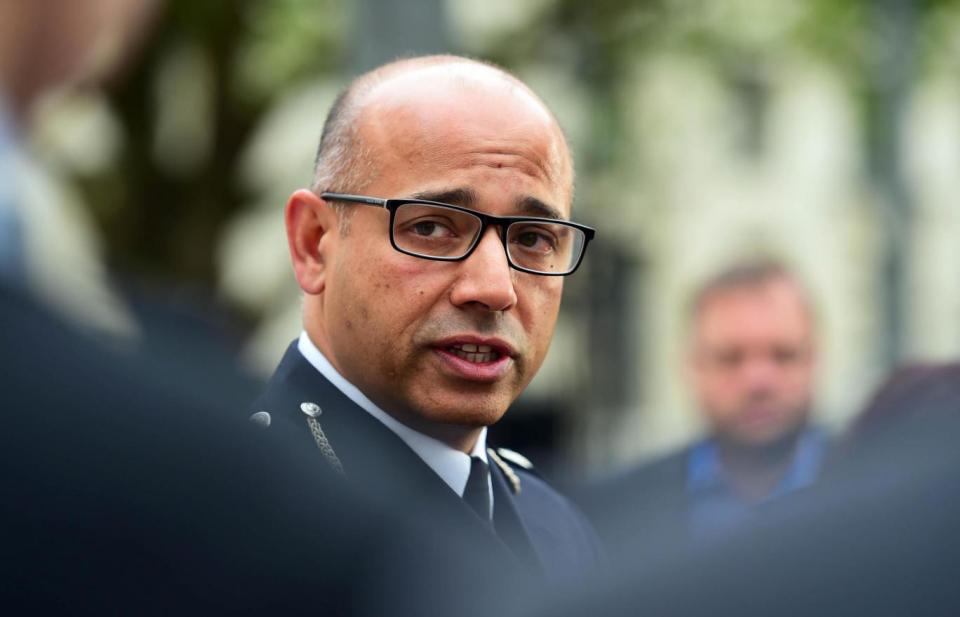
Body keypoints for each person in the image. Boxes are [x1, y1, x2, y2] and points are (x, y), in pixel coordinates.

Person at [251, 54, 602, 585]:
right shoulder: (227, 518)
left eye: (532, 239)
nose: (493, 289)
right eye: (433, 228)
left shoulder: (560, 529)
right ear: (313, 244)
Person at [582, 261, 827, 554]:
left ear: (814, 360)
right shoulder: (614, 517)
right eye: (730, 358)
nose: (758, 381)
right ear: (693, 367)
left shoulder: (874, 492)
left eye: (783, 356)